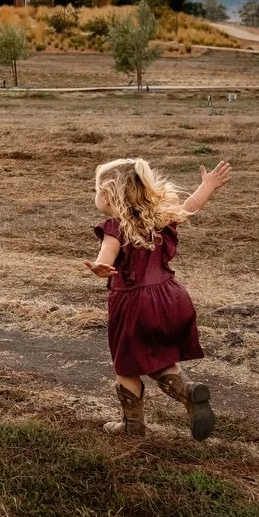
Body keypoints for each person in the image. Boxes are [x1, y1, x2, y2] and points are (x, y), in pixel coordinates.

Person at [85, 158, 231, 440]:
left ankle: (133, 427)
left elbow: (106, 255)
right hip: (171, 297)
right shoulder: (159, 219)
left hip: (135, 305)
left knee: (127, 366)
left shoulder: (115, 227)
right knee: (158, 356)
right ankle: (188, 392)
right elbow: (190, 207)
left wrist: (100, 266)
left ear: (109, 196)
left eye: (97, 190)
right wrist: (207, 186)